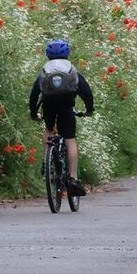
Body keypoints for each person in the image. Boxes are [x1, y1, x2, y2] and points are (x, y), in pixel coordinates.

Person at [29, 38, 94, 197]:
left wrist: (33, 113)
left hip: (49, 105)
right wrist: (89, 110)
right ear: (67, 53)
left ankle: (47, 163)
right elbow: (86, 91)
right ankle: (72, 178)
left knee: (49, 129)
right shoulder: (71, 70)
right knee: (70, 139)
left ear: (47, 55)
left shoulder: (45, 71)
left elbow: (34, 94)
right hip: (66, 106)